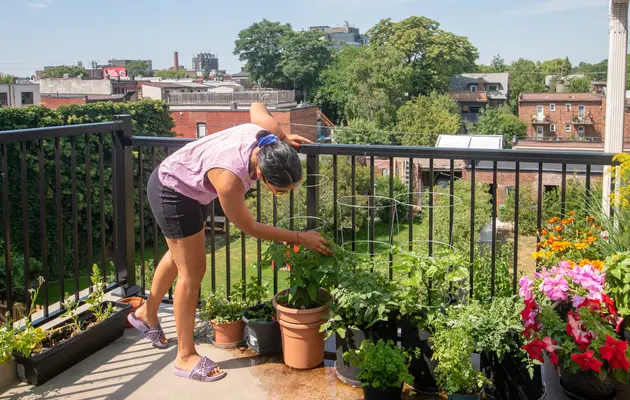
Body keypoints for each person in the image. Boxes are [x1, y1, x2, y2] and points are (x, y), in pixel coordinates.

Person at [128, 103, 331, 382]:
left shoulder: (268, 135)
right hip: (172, 190)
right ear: (261, 176)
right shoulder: (229, 180)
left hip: (190, 184)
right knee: (192, 271)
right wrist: (300, 238)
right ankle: (185, 357)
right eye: (282, 192)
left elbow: (256, 105)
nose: (283, 194)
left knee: (179, 256)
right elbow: (250, 227)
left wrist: (282, 140)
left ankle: (146, 312)